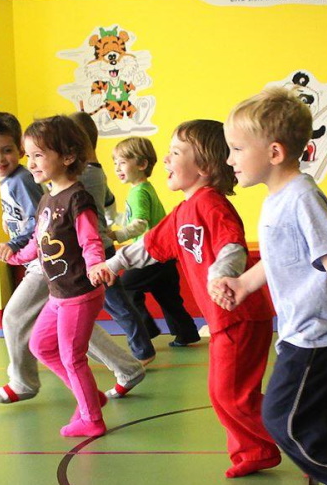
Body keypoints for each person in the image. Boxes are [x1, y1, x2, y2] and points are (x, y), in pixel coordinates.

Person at [211, 87, 327, 485]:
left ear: (274, 153)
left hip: (316, 334)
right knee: (320, 412)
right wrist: (243, 283)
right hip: (306, 329)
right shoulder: (276, 198)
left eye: (236, 149)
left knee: (282, 418)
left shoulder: (302, 197)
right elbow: (280, 259)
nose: (229, 159)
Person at [89, 120, 281, 478]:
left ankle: (300, 432)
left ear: (205, 167)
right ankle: (255, 451)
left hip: (239, 313)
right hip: (225, 318)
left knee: (231, 394)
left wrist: (221, 274)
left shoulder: (211, 204)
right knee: (223, 393)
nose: (165, 159)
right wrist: (113, 264)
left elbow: (232, 245)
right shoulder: (182, 212)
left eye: (175, 153)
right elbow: (147, 246)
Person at [0, 112, 145, 405]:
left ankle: (23, 381)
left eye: (7, 150)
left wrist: (14, 245)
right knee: (74, 325)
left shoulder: (22, 179)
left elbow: (39, 224)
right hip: (46, 262)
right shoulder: (12, 180)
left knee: (15, 316)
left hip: (47, 263)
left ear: (19, 149)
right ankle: (127, 368)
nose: (0, 158)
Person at [0, 115, 111, 437]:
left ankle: (92, 419)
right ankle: (91, 399)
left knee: (72, 357)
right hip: (59, 294)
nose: (29, 163)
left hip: (79, 292)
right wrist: (16, 256)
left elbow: (90, 240)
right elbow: (38, 241)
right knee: (41, 346)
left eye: (38, 155)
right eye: (28, 155)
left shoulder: (78, 198)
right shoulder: (48, 198)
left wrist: (95, 265)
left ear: (68, 157)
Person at [68, 112, 158, 390]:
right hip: (94, 245)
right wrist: (108, 220)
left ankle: (143, 350)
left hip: (98, 248)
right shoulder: (94, 171)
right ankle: (145, 339)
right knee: (114, 302)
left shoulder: (87, 173)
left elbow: (105, 203)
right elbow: (107, 200)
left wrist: (111, 229)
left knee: (116, 302)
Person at [110, 137, 200, 348]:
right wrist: (113, 219)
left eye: (122, 162)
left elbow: (140, 225)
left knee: (125, 287)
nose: (117, 168)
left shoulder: (139, 192)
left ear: (141, 164)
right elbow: (136, 219)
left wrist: (116, 236)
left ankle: (145, 328)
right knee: (168, 297)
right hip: (166, 254)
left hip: (151, 253)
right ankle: (186, 333)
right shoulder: (144, 189)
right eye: (115, 163)